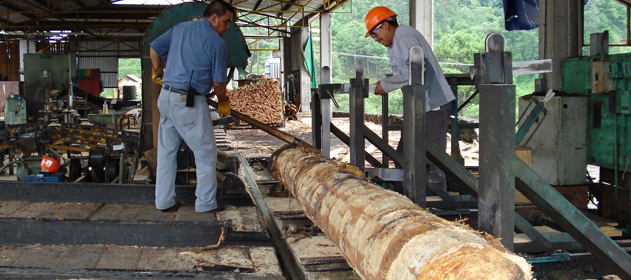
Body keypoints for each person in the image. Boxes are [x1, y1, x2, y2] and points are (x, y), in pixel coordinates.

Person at [149, 0, 234, 212]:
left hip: (166, 98)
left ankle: (164, 202)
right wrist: (223, 102)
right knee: (205, 154)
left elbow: (154, 48)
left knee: (167, 153)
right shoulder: (217, 44)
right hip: (187, 102)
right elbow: (218, 83)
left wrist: (157, 70)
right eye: (226, 22)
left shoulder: (180, 28)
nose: (228, 27)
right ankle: (205, 204)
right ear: (214, 17)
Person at [365, 6, 455, 192]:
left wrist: (387, 84)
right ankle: (404, 193)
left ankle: (437, 199)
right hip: (419, 105)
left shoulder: (404, 35)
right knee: (405, 152)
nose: (375, 38)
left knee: (432, 156)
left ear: (386, 26)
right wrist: (385, 83)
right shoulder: (395, 42)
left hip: (434, 104)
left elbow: (414, 69)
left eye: (375, 32)